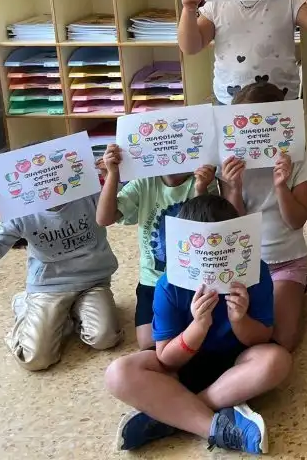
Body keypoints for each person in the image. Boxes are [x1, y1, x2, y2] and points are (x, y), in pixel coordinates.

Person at [105, 194, 291, 454]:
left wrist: (240, 319)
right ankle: (211, 424)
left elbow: (262, 338)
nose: (213, 261)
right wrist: (198, 326)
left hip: (237, 366)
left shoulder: (254, 273)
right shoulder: (169, 285)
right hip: (183, 366)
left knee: (277, 361)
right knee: (118, 373)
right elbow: (167, 358)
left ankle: (172, 415)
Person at [218, 81, 307, 350]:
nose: (254, 132)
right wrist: (234, 187)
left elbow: (296, 221)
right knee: (231, 332)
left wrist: (281, 186)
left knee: (282, 340)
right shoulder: (230, 165)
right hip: (242, 264)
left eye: (261, 124)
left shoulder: (301, 161)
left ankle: (297, 284)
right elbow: (234, 227)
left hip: (286, 262)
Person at [0, 192, 121, 371]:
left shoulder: (90, 193)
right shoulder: (20, 210)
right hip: (49, 285)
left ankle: (64, 314)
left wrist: (111, 178)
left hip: (93, 280)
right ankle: (24, 305)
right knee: (35, 359)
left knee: (106, 338)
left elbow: (123, 210)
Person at [97, 149, 218, 350]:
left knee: (205, 334)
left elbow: (209, 233)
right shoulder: (144, 182)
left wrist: (201, 189)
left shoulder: (205, 182)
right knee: (149, 344)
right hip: (153, 279)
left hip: (195, 279)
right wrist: (113, 174)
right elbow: (103, 219)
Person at [178, 0, 307, 104]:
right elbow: (190, 47)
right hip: (230, 100)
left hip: (282, 97)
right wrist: (188, 9)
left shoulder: (287, 1)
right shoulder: (216, 4)